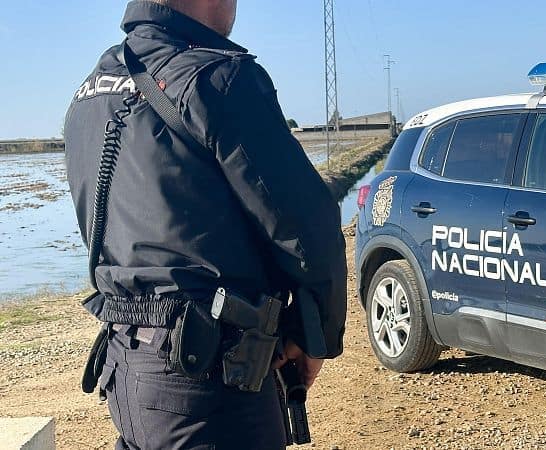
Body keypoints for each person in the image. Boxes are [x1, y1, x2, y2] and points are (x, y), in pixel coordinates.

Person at [63, 0, 347, 448]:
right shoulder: (220, 78)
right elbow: (306, 227)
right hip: (210, 382)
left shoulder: (89, 93)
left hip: (127, 367)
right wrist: (313, 334)